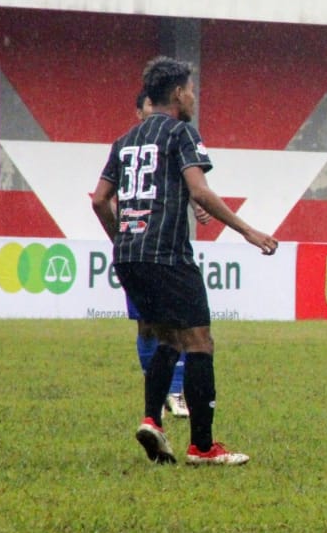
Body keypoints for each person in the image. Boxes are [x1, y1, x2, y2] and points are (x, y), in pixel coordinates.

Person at [92, 57, 278, 466]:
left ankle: (151, 421)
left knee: (168, 339)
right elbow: (201, 191)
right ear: (177, 93)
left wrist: (124, 239)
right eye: (191, 89)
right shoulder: (181, 133)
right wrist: (249, 232)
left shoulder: (124, 141)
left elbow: (100, 199)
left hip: (130, 257)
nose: (193, 96)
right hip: (169, 255)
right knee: (199, 342)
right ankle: (203, 447)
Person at [122, 88, 213, 419]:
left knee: (172, 330)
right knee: (154, 328)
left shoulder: (164, 143)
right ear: (140, 111)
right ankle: (162, 395)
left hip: (141, 253)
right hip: (154, 252)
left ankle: (171, 394)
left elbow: (175, 183)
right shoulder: (132, 146)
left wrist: (193, 201)